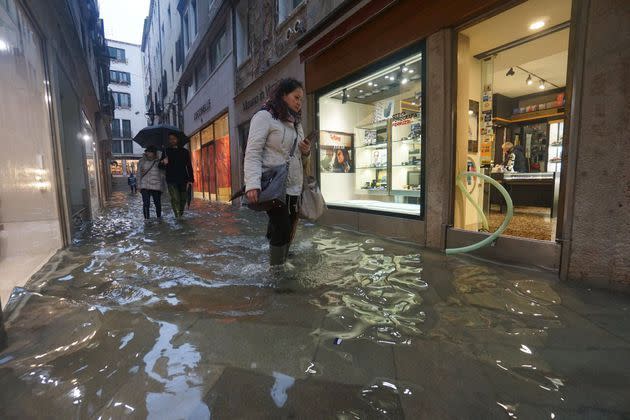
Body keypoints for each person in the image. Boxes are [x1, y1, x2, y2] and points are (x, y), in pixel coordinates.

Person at [244, 78, 311, 266]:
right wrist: (252, 184)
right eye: (296, 97)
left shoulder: (296, 124)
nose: (299, 102)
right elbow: (253, 152)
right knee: (282, 228)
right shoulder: (264, 117)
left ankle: (279, 259)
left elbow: (299, 156)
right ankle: (277, 273)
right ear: (283, 95)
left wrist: (306, 151)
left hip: (293, 185)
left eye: (301, 100)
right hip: (273, 185)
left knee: (288, 228)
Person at [159, 133, 194, 218]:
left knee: (183, 199)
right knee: (175, 199)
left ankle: (180, 214)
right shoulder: (166, 151)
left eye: (174, 138)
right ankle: (178, 218)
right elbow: (159, 166)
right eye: (170, 139)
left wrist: (191, 179)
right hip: (171, 179)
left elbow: (189, 166)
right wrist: (163, 162)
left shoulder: (185, 152)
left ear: (178, 140)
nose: (172, 140)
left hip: (183, 179)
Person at [137, 145, 164, 219]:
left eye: (149, 152)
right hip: (144, 185)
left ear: (154, 153)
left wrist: (164, 163)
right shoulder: (141, 161)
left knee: (157, 203)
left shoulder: (159, 161)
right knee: (146, 204)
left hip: (156, 185)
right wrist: (138, 186)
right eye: (147, 152)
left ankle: (159, 218)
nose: (148, 153)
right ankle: (146, 220)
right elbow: (138, 174)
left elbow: (163, 175)